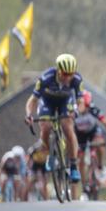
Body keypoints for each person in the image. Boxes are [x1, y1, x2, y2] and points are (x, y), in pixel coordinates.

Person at [25, 53, 84, 184]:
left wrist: (75, 111)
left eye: (71, 74)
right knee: (45, 127)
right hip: (47, 102)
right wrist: (29, 114)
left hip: (65, 102)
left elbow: (81, 102)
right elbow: (32, 100)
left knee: (67, 126)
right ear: (58, 70)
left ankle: (73, 166)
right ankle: (50, 153)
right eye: (65, 74)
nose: (68, 78)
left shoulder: (77, 79)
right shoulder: (46, 78)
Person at [74, 90, 106, 200]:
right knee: (80, 160)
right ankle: (84, 187)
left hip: (93, 132)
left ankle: (100, 166)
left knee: (99, 143)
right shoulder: (74, 113)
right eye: (85, 106)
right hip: (79, 136)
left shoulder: (93, 110)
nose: (87, 109)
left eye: (89, 106)